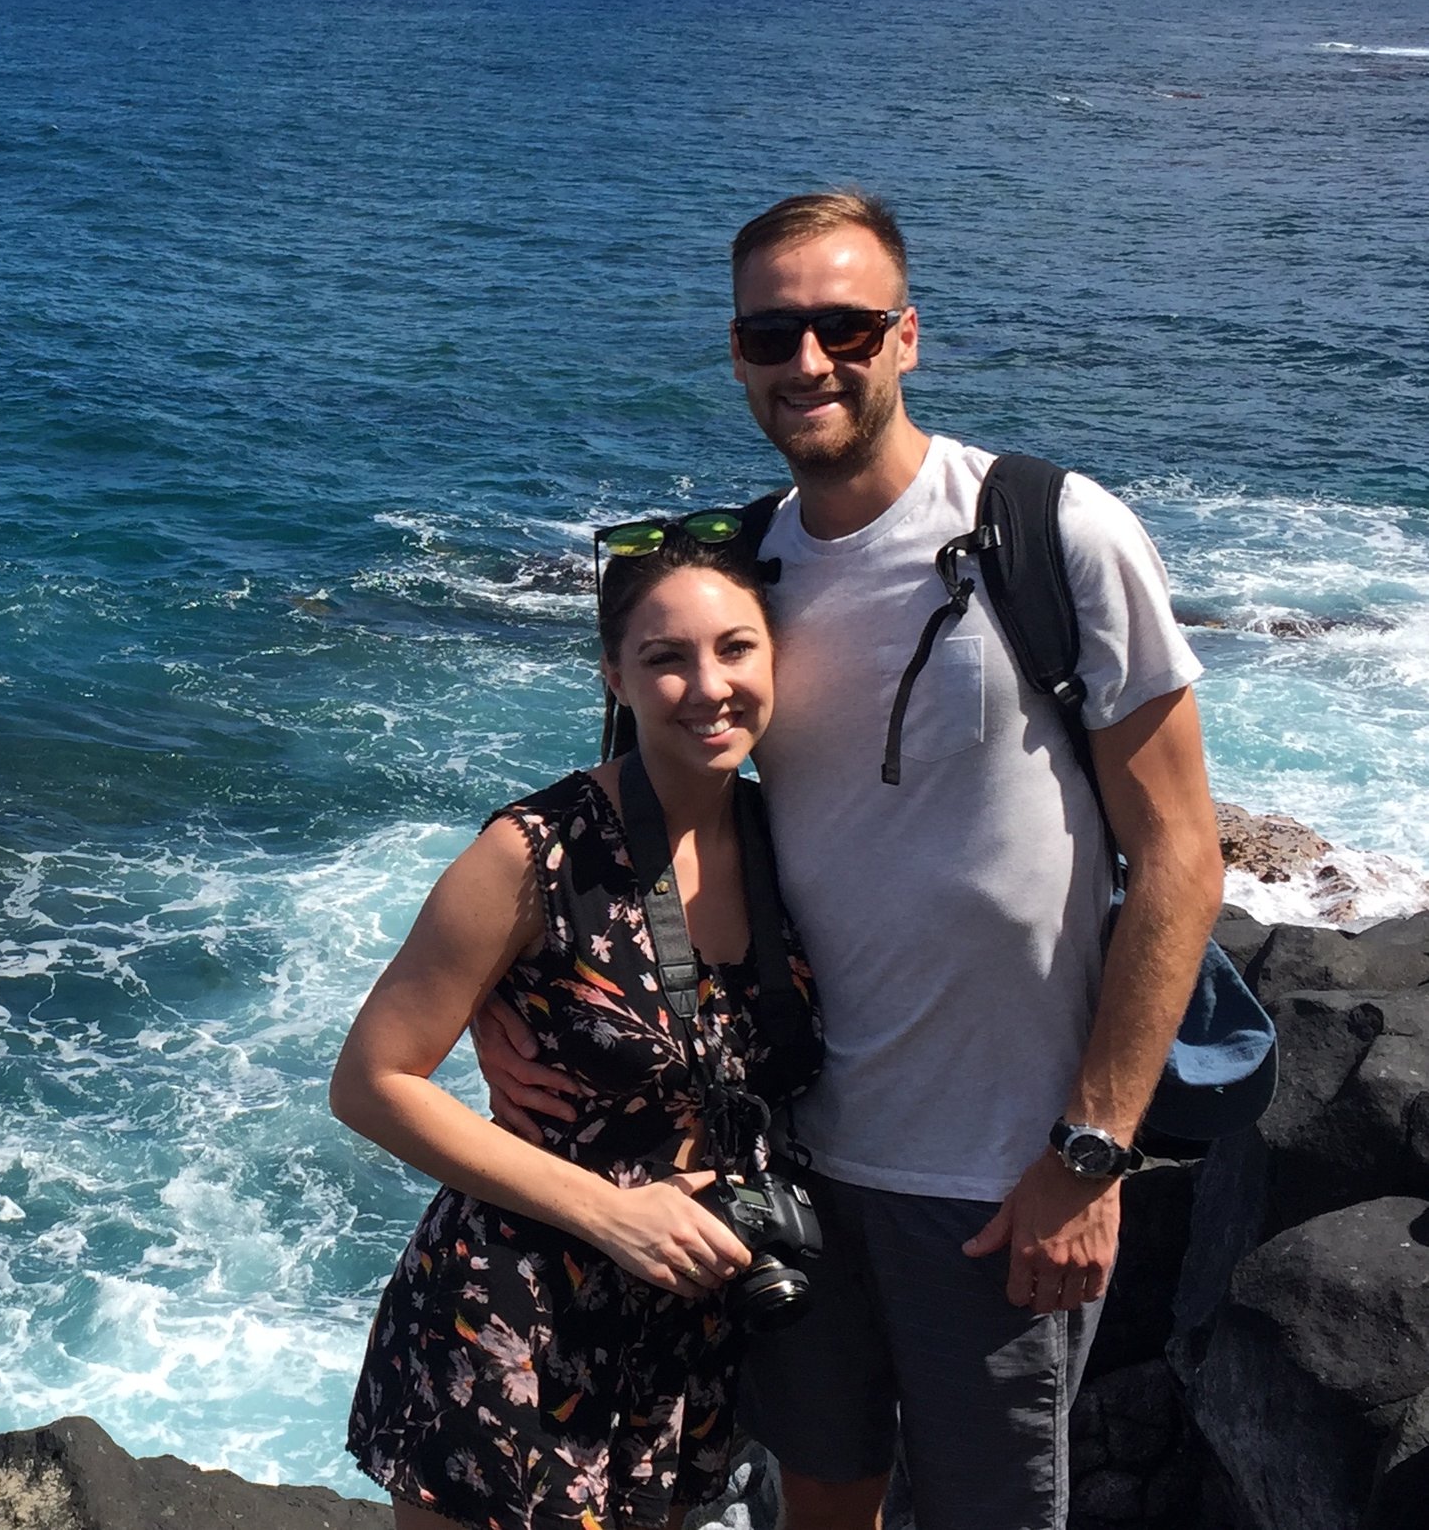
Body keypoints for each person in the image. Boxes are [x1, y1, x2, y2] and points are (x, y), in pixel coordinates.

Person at [475, 190, 1224, 1530]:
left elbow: (1181, 852)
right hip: (791, 1160)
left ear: (908, 336)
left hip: (1001, 1179)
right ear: (739, 350)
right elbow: (621, 818)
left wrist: (1092, 1152)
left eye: (846, 324)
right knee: (816, 1495)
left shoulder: (1050, 531)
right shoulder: (741, 574)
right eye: (775, 331)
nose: (810, 359)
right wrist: (492, 996)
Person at [333, 523, 822, 1530]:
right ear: (614, 674)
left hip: (686, 1343)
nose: (709, 684)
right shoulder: (535, 853)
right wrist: (606, 1210)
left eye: (735, 647)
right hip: (513, 1323)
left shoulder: (797, 841)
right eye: (664, 658)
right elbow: (372, 1081)